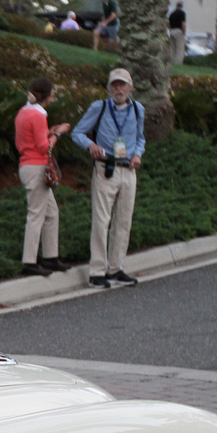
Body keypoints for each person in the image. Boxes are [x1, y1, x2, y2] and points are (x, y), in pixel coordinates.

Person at [72, 69, 146, 288]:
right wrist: (91, 145)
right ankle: (97, 271)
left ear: (130, 87)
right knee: (101, 221)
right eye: (114, 85)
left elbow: (140, 138)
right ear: (109, 88)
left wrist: (137, 155)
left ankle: (116, 268)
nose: (118, 89)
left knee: (123, 221)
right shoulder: (100, 107)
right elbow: (78, 133)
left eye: (122, 84)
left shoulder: (137, 109)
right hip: (106, 169)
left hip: (129, 171)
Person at [14, 77, 71, 276]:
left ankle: (50, 257)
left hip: (27, 166)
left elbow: (33, 138)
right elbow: (43, 146)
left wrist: (50, 131)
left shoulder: (24, 112)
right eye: (52, 94)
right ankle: (29, 261)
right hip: (36, 167)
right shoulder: (38, 116)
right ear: (47, 96)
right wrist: (59, 134)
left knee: (51, 213)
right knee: (36, 214)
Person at [167, 1, 187, 67]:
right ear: (182, 6)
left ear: (176, 5)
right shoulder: (182, 13)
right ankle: (178, 63)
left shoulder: (172, 14)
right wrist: (183, 32)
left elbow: (168, 23)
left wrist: (170, 30)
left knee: (172, 48)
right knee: (179, 49)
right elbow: (183, 24)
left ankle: (171, 62)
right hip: (178, 31)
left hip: (171, 31)